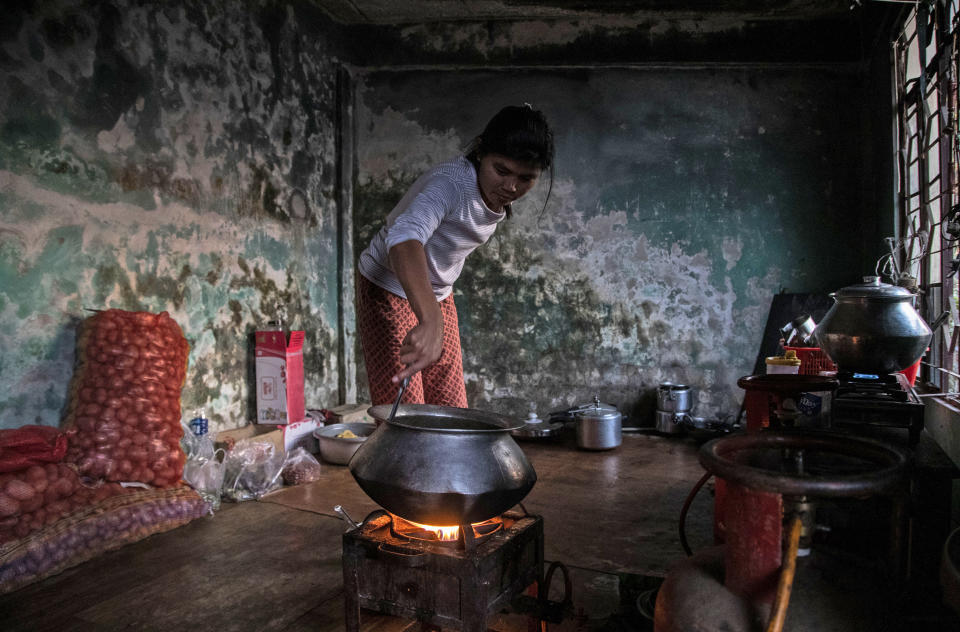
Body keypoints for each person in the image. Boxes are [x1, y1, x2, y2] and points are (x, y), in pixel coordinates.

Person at [356, 104, 554, 407]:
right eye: (501, 170)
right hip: (387, 286)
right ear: (480, 153)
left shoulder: (493, 193)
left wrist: (433, 314)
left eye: (526, 178)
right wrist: (430, 319)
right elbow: (404, 237)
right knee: (406, 417)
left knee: (451, 410)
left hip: (438, 294)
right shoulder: (451, 184)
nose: (511, 186)